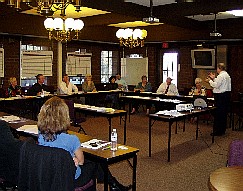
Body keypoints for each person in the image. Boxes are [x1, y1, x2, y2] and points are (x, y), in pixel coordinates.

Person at [37, 97, 131, 190]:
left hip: (49, 175)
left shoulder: (40, 135)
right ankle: (113, 184)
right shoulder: (72, 140)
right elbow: (81, 162)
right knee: (96, 161)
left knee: (93, 160)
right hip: (72, 179)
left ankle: (113, 184)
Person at [206, 63, 231, 136]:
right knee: (223, 114)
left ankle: (217, 131)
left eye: (217, 68)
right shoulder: (227, 75)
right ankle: (222, 130)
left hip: (220, 97)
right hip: (226, 96)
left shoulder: (221, 76)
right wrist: (214, 78)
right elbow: (220, 83)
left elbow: (216, 85)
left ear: (219, 68)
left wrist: (210, 81)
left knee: (218, 114)